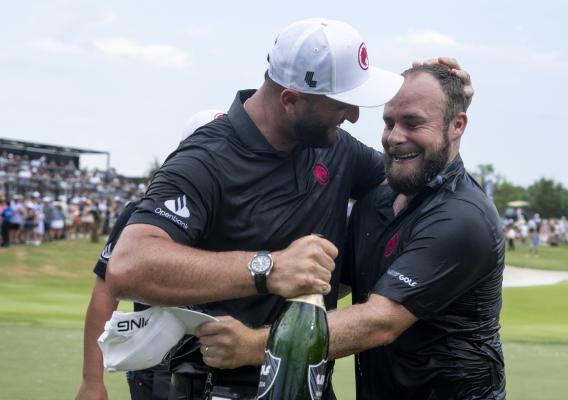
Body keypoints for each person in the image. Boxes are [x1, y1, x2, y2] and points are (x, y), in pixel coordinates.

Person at [106, 18, 404, 400]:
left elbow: (404, 177)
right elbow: (128, 265)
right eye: (341, 103)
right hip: (218, 387)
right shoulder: (205, 159)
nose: (354, 115)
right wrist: (268, 268)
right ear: (290, 100)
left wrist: (440, 90)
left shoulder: (333, 145)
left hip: (310, 384)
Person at [198, 64, 504, 399]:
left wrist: (255, 344)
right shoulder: (375, 203)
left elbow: (380, 321)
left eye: (413, 123)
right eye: (389, 122)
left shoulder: (464, 217)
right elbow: (333, 283)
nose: (394, 137)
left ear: (457, 125)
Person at [75, 110, 225, 400]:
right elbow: (105, 294)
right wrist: (91, 381)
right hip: (157, 364)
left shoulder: (253, 216)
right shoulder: (141, 214)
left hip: (233, 363)